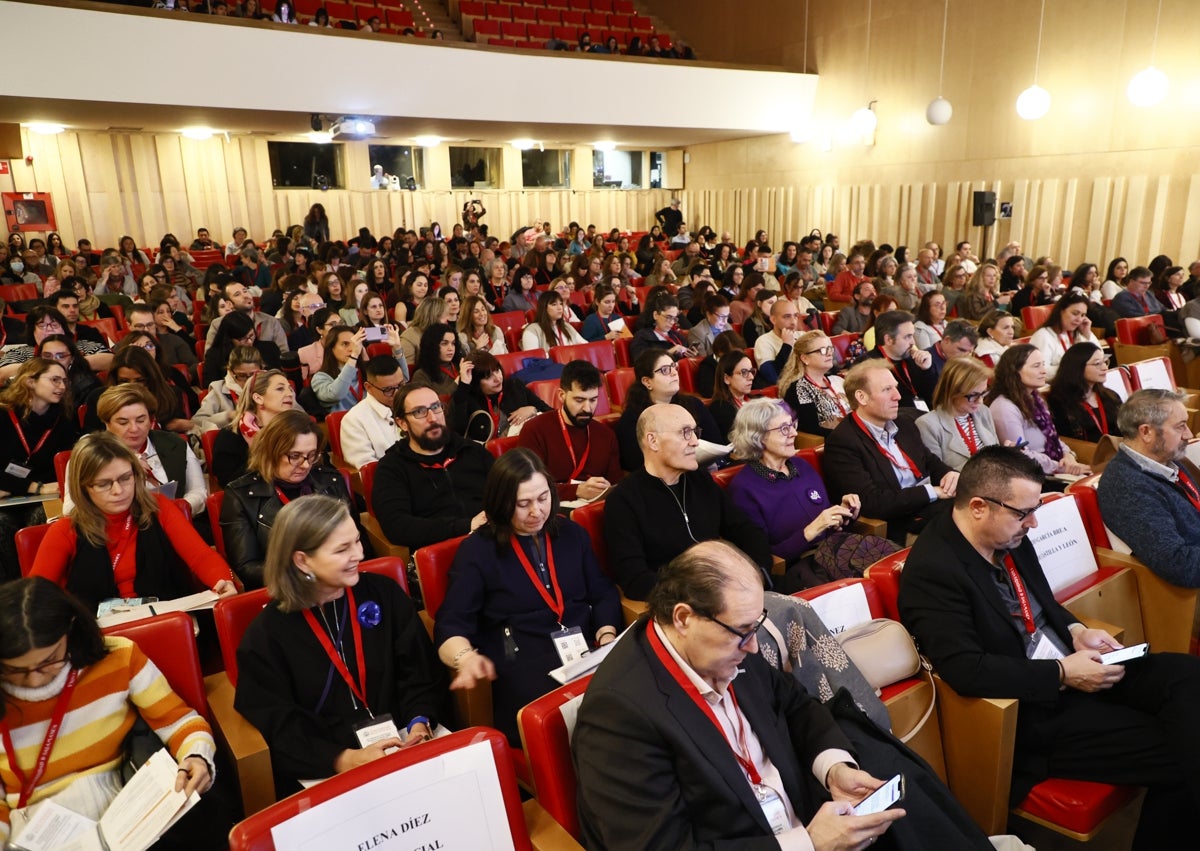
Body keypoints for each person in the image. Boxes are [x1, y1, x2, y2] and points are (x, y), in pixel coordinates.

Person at [899, 446, 1200, 850]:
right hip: (1032, 706)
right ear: (977, 507)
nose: (1034, 522)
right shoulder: (933, 571)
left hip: (1074, 662)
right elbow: (965, 670)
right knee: (1180, 754)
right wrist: (1062, 673)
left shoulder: (1010, 532)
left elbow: (1042, 602)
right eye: (1024, 513)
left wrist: (1076, 630)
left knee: (1186, 674)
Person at [573, 540, 911, 850]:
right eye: (742, 632)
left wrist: (833, 768)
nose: (753, 646)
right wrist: (808, 843)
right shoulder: (618, 713)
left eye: (756, 627)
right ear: (684, 618)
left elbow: (796, 703)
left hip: (806, 814)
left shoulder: (724, 644)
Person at [234, 494, 448, 797]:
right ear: (301, 560)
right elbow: (281, 727)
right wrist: (344, 759)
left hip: (403, 743)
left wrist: (420, 722)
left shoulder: (384, 594)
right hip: (326, 769)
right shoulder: (266, 637)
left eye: (357, 542)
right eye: (342, 549)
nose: (359, 555)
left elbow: (418, 670)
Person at [0, 577, 230, 848]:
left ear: (71, 631)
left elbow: (180, 720)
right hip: (33, 825)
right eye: (15, 670)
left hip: (120, 809)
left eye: (49, 660)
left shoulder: (118, 657)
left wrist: (197, 757)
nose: (35, 680)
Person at [434, 449, 621, 744]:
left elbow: (602, 592)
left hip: (585, 654)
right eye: (523, 504)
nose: (537, 512)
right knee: (596, 724)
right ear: (501, 502)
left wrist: (608, 637)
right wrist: (465, 658)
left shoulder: (571, 533)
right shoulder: (478, 551)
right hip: (522, 662)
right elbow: (451, 625)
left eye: (543, 498)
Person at [33, 432, 235, 610]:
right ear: (83, 488)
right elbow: (36, 598)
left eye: (125, 478)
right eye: (104, 484)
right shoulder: (65, 530)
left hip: (165, 621)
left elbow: (200, 556)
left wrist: (223, 579)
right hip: (97, 634)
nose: (118, 491)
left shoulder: (159, 507)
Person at [605, 403, 772, 600]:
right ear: (653, 441)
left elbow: (747, 531)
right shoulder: (624, 500)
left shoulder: (700, 481)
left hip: (729, 589)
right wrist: (702, 593)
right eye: (685, 432)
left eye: (694, 432)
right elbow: (636, 580)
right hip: (682, 605)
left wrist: (758, 574)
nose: (695, 442)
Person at [728, 399, 875, 586]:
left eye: (792, 425)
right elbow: (763, 560)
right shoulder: (745, 489)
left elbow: (827, 522)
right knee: (863, 584)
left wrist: (844, 514)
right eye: (784, 429)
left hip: (837, 549)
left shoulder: (801, 466)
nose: (794, 433)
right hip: (801, 567)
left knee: (891, 565)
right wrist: (810, 531)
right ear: (758, 436)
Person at [221, 410, 362, 589]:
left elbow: (358, 538)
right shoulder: (240, 495)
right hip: (285, 590)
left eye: (312, 455)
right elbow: (246, 567)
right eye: (295, 456)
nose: (305, 465)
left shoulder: (330, 481)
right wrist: (312, 574)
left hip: (342, 579)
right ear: (271, 451)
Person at [823, 360, 958, 542]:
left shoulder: (904, 423)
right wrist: (932, 492)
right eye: (887, 390)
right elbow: (871, 501)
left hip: (933, 507)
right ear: (862, 397)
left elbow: (929, 461)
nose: (898, 396)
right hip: (900, 522)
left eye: (895, 388)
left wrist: (949, 475)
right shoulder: (843, 442)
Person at [1094, 389, 1200, 587]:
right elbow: (1181, 566)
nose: (1189, 434)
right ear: (1146, 432)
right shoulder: (1127, 487)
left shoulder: (1165, 459)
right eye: (1180, 427)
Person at [373, 381, 494, 550]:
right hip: (440, 551)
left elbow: (506, 491)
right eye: (419, 412)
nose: (433, 418)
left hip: (492, 538)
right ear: (402, 423)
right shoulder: (392, 468)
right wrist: (466, 526)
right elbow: (397, 526)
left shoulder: (471, 450)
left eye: (436, 407)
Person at [64, 384, 207, 519]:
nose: (134, 429)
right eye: (123, 422)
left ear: (150, 420)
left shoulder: (175, 444)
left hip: (173, 523)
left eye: (140, 420)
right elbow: (71, 509)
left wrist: (175, 509)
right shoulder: (88, 454)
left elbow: (199, 492)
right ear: (107, 423)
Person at [0, 358, 79, 578]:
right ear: (30, 382)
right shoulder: (3, 415)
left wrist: (15, 485)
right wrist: (34, 486)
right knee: (1, 525)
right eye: (54, 380)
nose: (62, 386)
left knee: (45, 518)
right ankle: (12, 591)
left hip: (42, 498)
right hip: (10, 500)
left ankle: (41, 582)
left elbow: (61, 468)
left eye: (64, 381)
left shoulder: (62, 420)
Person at [986, 345, 1091, 477]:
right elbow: (1020, 454)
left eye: (1043, 365)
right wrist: (1061, 468)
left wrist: (1068, 455)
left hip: (1054, 468)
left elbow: (1052, 437)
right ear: (1014, 371)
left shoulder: (1036, 399)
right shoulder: (1004, 407)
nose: (1043, 371)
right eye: (1036, 366)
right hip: (1033, 476)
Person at [615, 350, 721, 472]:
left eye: (674, 367)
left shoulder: (693, 404)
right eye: (665, 370)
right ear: (647, 381)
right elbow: (636, 464)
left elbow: (715, 442)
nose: (674, 373)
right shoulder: (633, 419)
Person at [210, 369, 296, 488]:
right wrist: (266, 454)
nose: (290, 394)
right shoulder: (231, 435)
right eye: (280, 389)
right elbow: (228, 482)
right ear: (258, 398)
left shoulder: (298, 428)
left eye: (290, 389)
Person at [916, 355, 1000, 471]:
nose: (980, 401)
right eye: (973, 395)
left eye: (983, 393)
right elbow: (937, 474)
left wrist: (1006, 454)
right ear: (952, 391)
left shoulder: (983, 411)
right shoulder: (928, 425)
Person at [450, 350, 548, 442]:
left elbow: (550, 412)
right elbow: (457, 434)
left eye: (497, 371)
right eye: (488, 377)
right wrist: (464, 385)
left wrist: (533, 409)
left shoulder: (514, 386)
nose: (497, 379)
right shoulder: (465, 398)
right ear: (475, 382)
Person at [339, 354, 406, 470]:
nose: (397, 393)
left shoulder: (413, 403)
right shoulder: (354, 419)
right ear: (369, 387)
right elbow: (367, 468)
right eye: (389, 390)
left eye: (401, 385)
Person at [779, 330, 851, 437]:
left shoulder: (837, 380)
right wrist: (849, 435)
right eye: (822, 350)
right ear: (805, 358)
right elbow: (811, 429)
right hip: (834, 443)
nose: (829, 353)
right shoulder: (799, 388)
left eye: (830, 348)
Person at [1046, 342, 1122, 442]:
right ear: (1078, 367)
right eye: (1097, 364)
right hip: (1085, 454)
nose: (1104, 368)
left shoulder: (1111, 396)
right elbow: (1066, 440)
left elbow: (1126, 428)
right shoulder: (1059, 402)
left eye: (1105, 362)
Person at [864, 310, 937, 411]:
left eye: (913, 335)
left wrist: (928, 370)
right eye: (908, 337)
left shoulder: (914, 359)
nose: (913, 342)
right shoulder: (867, 366)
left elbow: (934, 399)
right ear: (888, 340)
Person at [1028, 293, 1102, 379]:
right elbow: (1040, 371)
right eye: (1075, 313)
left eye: (1082, 315)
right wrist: (1073, 368)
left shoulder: (1078, 333)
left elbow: (1099, 358)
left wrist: (1087, 334)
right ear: (1061, 311)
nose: (1079, 319)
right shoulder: (1043, 336)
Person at [308, 325, 369, 415]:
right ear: (331, 348)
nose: (351, 349)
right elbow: (336, 394)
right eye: (345, 344)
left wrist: (397, 350)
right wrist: (354, 356)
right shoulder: (320, 377)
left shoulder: (367, 370)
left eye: (354, 344)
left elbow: (394, 386)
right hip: (343, 425)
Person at [707, 350, 756, 443]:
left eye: (751, 371)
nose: (751, 377)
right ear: (726, 378)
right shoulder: (720, 408)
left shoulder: (756, 400)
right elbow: (739, 443)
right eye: (744, 372)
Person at [753, 298, 802, 384]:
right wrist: (786, 346)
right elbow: (773, 377)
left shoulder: (802, 336)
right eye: (787, 317)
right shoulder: (764, 342)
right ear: (773, 320)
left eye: (795, 316)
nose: (793, 322)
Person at [411, 322, 463, 398]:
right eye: (444, 343)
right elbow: (434, 402)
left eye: (453, 343)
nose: (450, 348)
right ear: (432, 346)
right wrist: (459, 380)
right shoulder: (421, 375)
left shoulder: (460, 366)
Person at [521, 291, 586, 351]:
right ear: (544, 308)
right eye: (554, 304)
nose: (560, 307)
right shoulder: (532, 330)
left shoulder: (567, 326)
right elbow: (533, 358)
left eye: (561, 304)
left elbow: (585, 345)